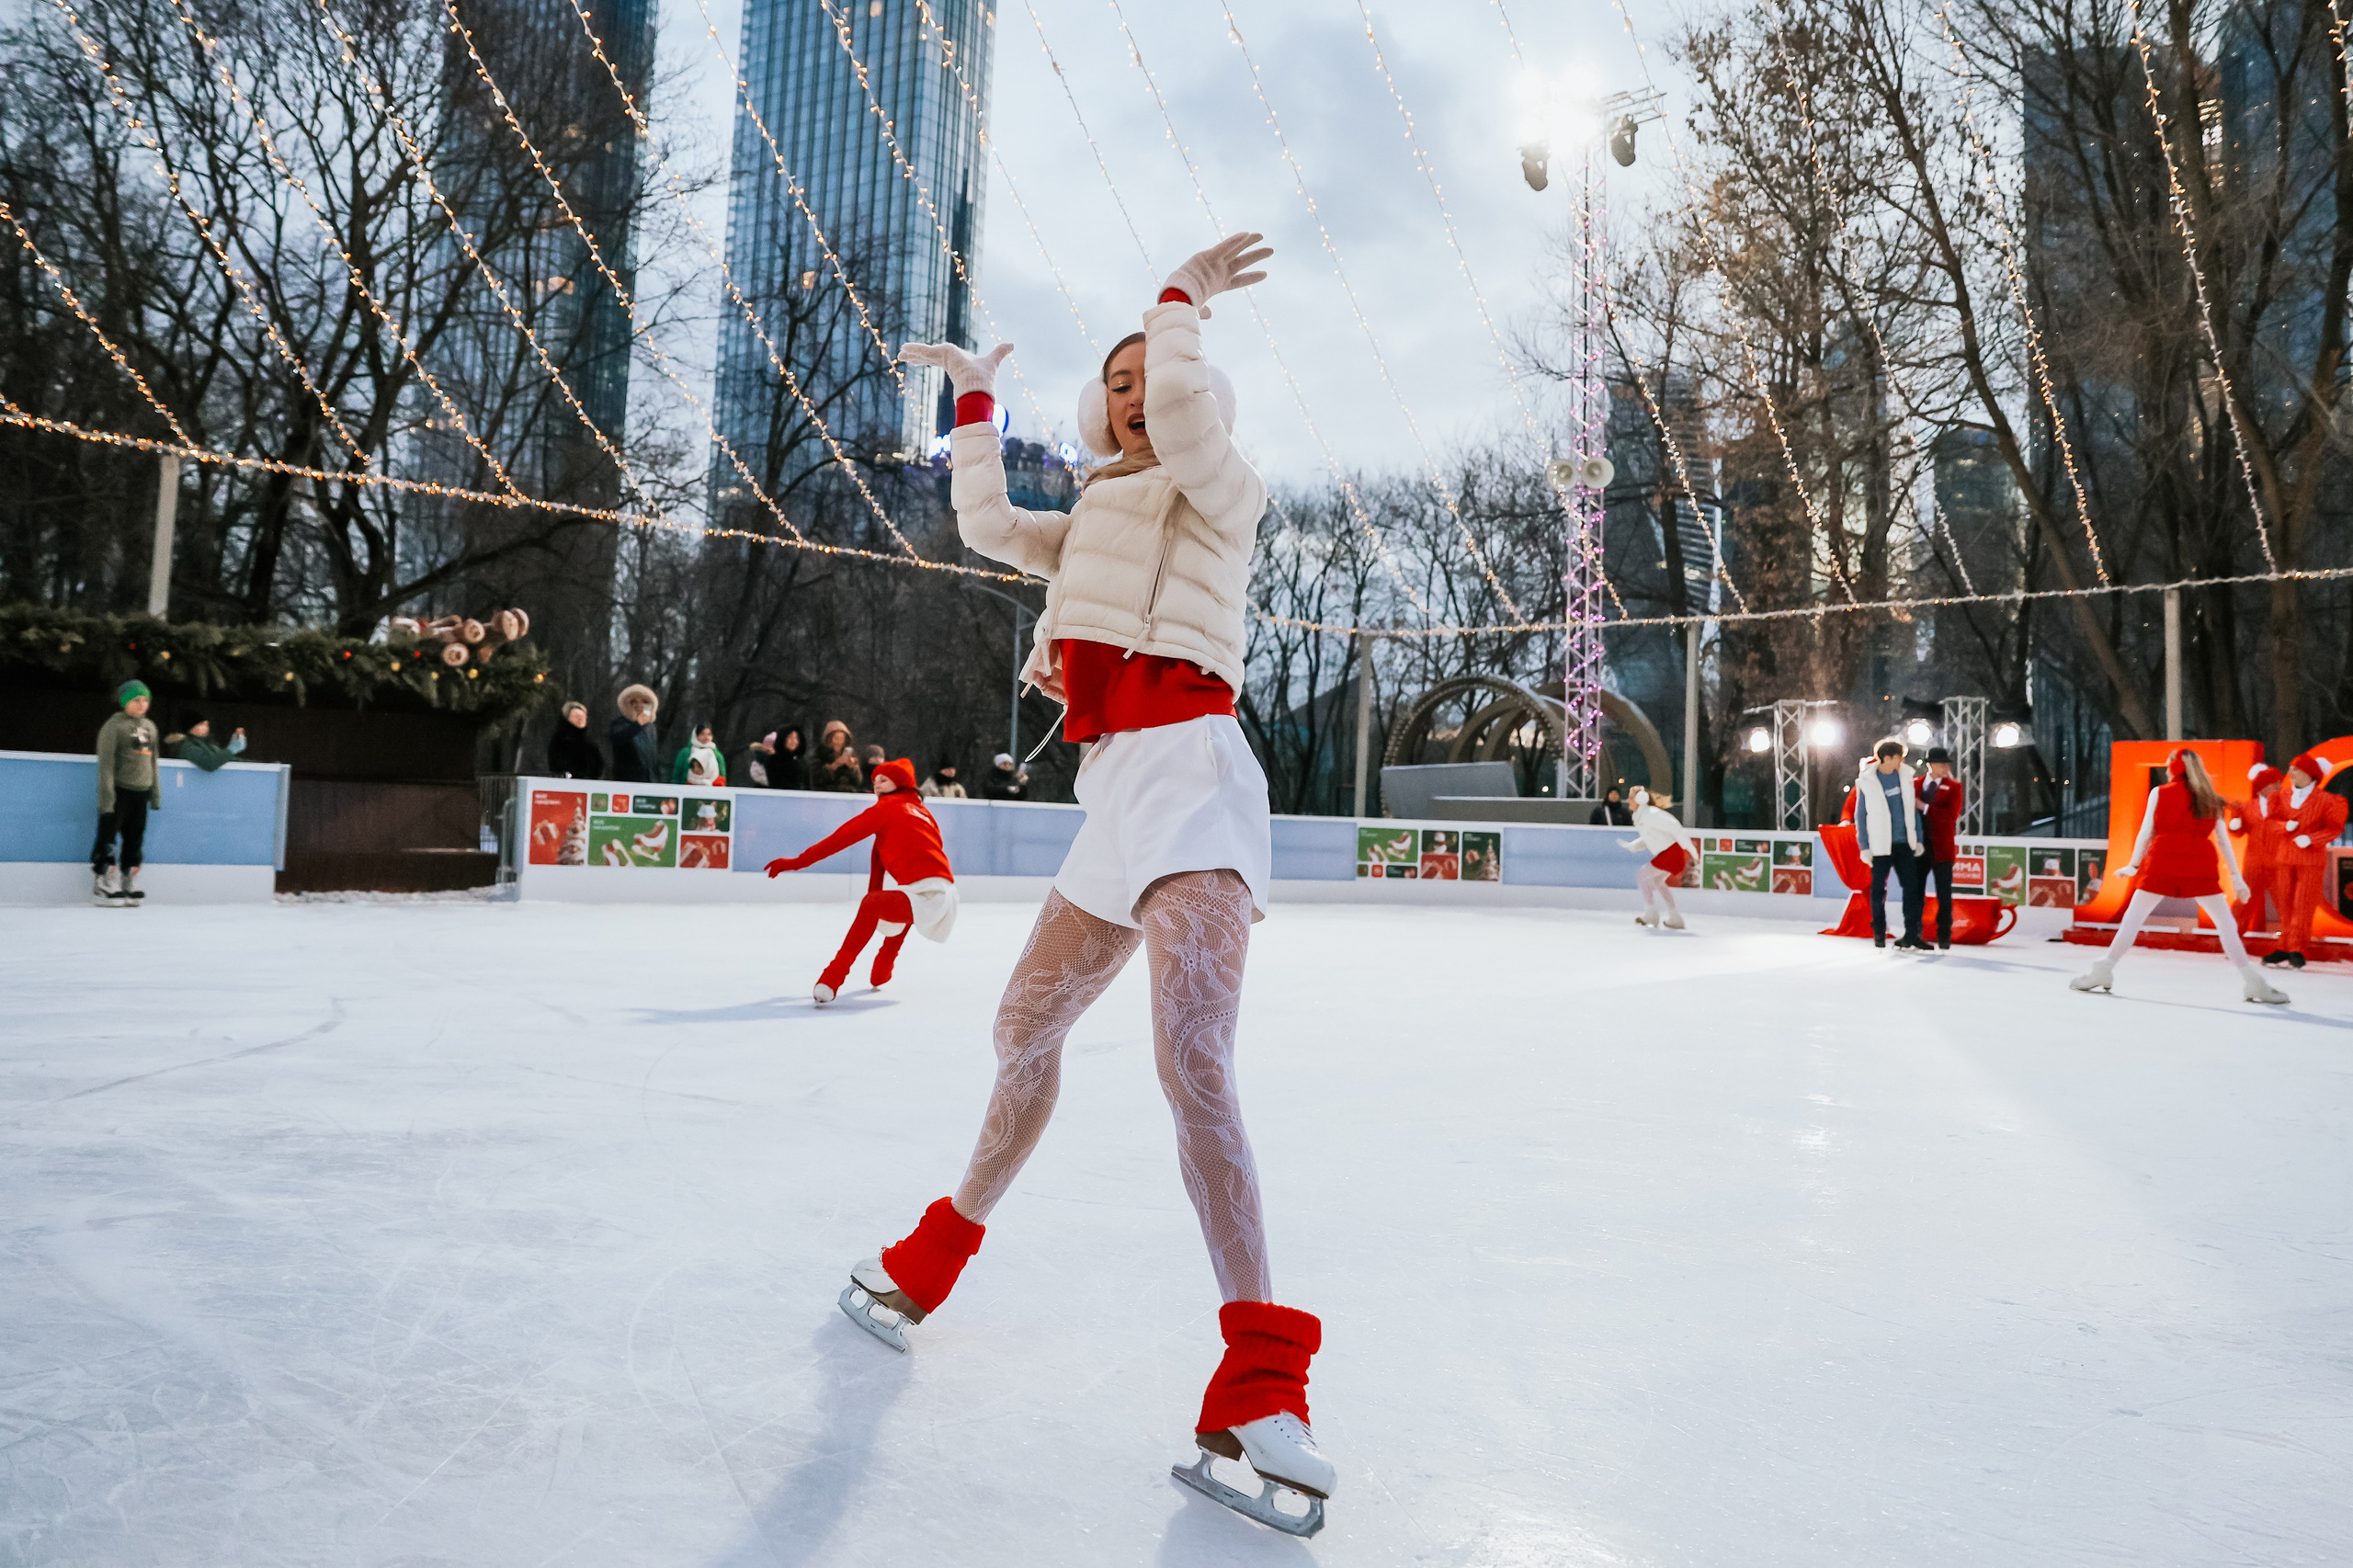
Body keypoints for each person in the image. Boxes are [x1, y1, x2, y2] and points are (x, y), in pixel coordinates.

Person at [863, 234, 1334, 1536]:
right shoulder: (1082, 526)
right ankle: (932, 1254)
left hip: (1196, 779)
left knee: (1192, 1059)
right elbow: (980, 521)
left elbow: (1186, 412)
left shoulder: (1222, 488)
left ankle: (1261, 1383)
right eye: (1117, 378)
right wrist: (971, 397)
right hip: (1115, 795)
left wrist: (1176, 301)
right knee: (1021, 1028)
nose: (1137, 389)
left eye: (1153, 373)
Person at [2072, 749, 2287, 1004]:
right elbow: (2223, 840)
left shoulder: (2160, 793)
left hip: (2164, 861)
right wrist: (2236, 878)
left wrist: (2133, 865)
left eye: (2167, 766)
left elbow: (2146, 832)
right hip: (2200, 864)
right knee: (2226, 925)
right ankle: (2252, 981)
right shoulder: (2210, 798)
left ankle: (2104, 970)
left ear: (2174, 768)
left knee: (2133, 919)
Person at [764, 758, 956, 1002]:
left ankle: (833, 976)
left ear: (900, 782)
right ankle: (882, 971)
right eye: (874, 781)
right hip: (942, 893)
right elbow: (879, 864)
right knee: (896, 902)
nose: (877, 785)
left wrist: (795, 862)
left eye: (884, 780)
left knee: (874, 903)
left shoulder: (887, 808)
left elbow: (839, 839)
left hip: (930, 894)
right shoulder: (922, 812)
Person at [2262, 752, 2346, 970]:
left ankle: (2297, 947)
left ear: (2310, 775)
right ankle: (2284, 945)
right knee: (2284, 904)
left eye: (2296, 770)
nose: (2291, 774)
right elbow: (2270, 822)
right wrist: (2283, 827)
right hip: (2284, 857)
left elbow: (2335, 827)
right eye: (2291, 769)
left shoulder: (2327, 800)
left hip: (2310, 860)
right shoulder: (2280, 797)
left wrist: (2311, 838)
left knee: (2303, 904)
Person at [1847, 741, 1927, 949]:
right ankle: (1879, 932)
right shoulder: (1867, 781)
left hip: (1903, 843)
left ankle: (1912, 934)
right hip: (1880, 845)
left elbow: (1912, 810)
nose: (1902, 761)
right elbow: (1860, 815)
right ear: (1888, 757)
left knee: (1912, 888)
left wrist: (1917, 838)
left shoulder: (1905, 777)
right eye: (1899, 757)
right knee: (1877, 890)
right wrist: (1864, 846)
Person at [92, 679, 161, 906]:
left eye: (145, 700)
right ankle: (103, 881)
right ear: (125, 702)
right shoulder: (114, 726)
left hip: (141, 792)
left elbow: (153, 762)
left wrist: (155, 793)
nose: (142, 704)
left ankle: (129, 880)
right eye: (136, 700)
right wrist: (107, 796)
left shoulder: (150, 727)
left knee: (135, 839)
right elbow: (106, 764)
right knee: (108, 836)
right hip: (118, 791)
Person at [1620, 785, 1698, 928]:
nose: (1628, 800)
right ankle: (1675, 917)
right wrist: (1635, 845)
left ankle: (1651, 914)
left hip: (1671, 853)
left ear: (1640, 799)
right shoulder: (1643, 816)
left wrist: (1690, 848)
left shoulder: (1651, 814)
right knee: (1656, 882)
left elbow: (1675, 827)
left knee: (1642, 876)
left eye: (1631, 797)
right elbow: (1651, 836)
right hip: (1668, 853)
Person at [1915, 746, 1965, 950]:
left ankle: (1944, 935)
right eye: (1942, 763)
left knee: (1944, 894)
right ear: (1930, 765)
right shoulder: (1915, 785)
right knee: (1915, 892)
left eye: (1947, 764)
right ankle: (1914, 932)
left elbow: (1950, 817)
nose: (1946, 767)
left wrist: (1924, 807)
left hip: (1942, 849)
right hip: (1918, 847)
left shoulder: (1954, 787)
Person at [2225, 764, 2284, 937]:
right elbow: (2237, 832)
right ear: (2262, 788)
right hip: (2254, 865)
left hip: (2279, 864)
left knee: (2285, 904)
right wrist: (2236, 816)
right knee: (2245, 902)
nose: (2278, 787)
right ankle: (2232, 939)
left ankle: (2293, 942)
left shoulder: (2286, 806)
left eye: (2279, 783)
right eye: (2273, 783)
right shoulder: (2247, 807)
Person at [608, 686, 661, 783]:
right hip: (627, 781)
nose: (639, 705)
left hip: (650, 781)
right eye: (634, 702)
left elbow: (653, 759)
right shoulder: (619, 724)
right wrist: (637, 725)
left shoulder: (651, 728)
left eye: (644, 702)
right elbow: (617, 739)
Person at [166, 716, 247, 772]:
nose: (206, 727)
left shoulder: (210, 745)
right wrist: (231, 749)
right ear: (191, 728)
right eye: (201, 724)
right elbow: (209, 763)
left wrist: (256, 764)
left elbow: (227, 760)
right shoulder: (186, 746)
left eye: (207, 724)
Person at [548, 701, 604, 778]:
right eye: (576, 716)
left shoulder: (590, 743)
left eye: (582, 716)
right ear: (568, 718)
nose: (580, 719)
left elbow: (598, 766)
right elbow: (556, 764)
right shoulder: (560, 740)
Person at [812, 721, 865, 791]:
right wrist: (835, 765)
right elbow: (816, 780)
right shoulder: (819, 755)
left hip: (848, 797)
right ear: (829, 739)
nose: (839, 742)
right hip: (826, 796)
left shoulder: (851, 756)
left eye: (842, 739)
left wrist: (852, 768)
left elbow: (858, 781)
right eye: (836, 738)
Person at [673, 722, 725, 787]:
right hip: (687, 791)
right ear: (695, 735)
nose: (706, 737)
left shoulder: (717, 755)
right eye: (702, 734)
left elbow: (722, 777)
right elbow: (677, 775)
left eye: (709, 734)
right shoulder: (685, 753)